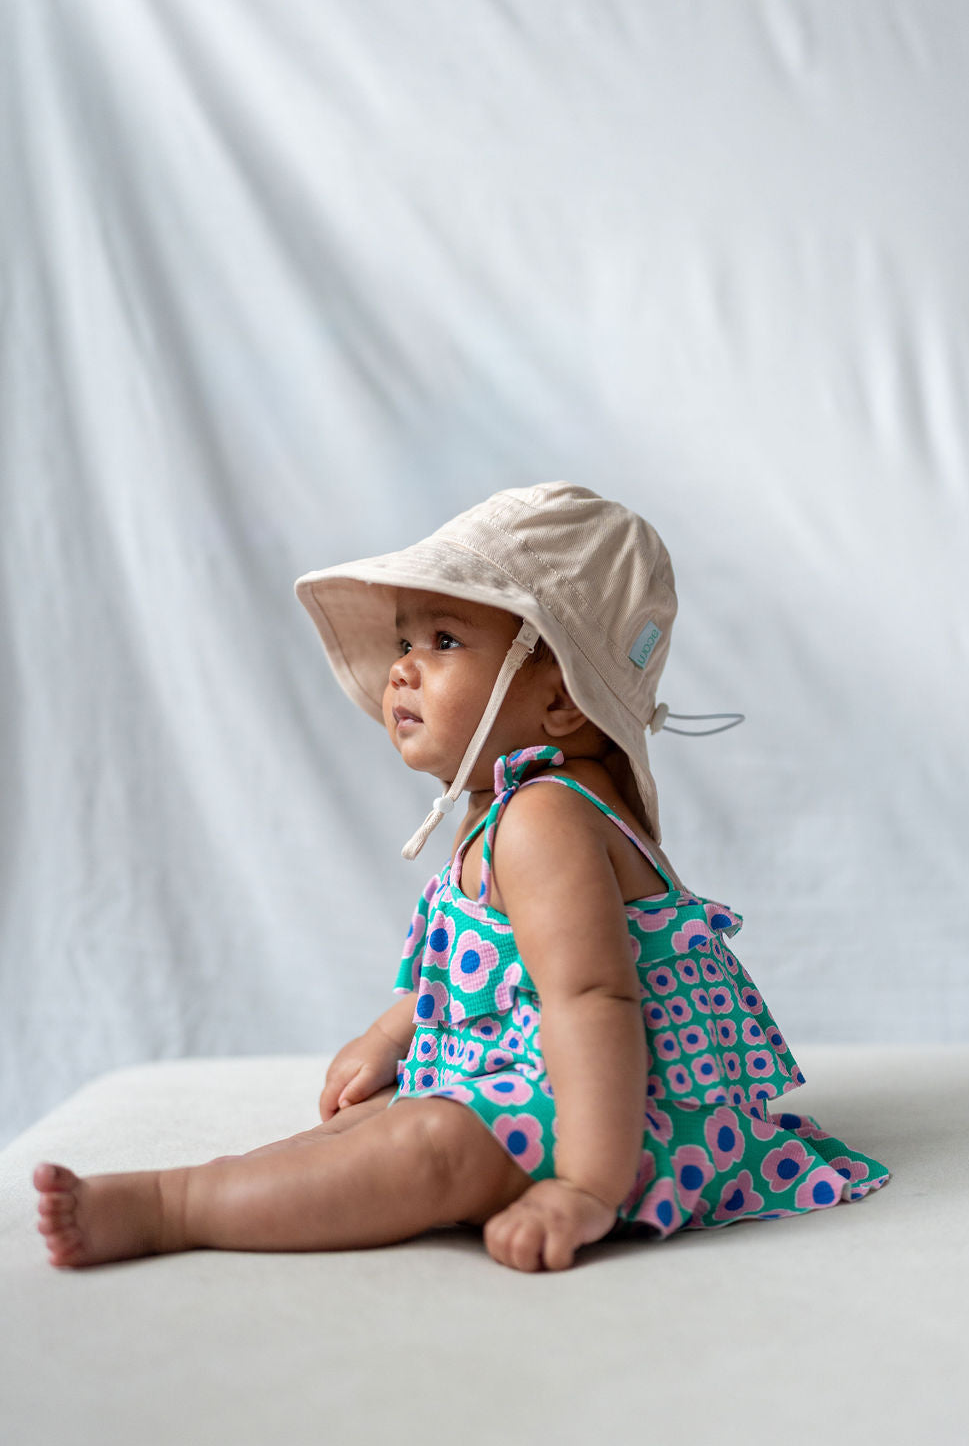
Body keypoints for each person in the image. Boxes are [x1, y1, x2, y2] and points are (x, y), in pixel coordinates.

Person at [34, 482, 889, 1272]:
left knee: (425, 1150)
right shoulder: (503, 806)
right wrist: (393, 1031)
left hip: (625, 1116)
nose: (401, 667)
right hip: (528, 1077)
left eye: (443, 641)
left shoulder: (545, 818)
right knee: (387, 1123)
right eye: (405, 641)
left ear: (560, 700)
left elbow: (594, 998)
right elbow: (506, 968)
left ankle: (176, 1207)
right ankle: (210, 1182)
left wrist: (586, 1188)